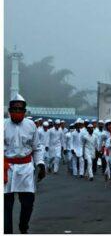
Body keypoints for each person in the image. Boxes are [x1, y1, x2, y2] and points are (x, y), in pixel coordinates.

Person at [4, 94, 46, 234]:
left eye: (20, 109)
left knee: (28, 203)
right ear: (9, 110)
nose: (17, 112)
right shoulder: (3, 125)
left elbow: (37, 147)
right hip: (6, 168)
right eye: (14, 109)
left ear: (24, 111)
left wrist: (40, 164)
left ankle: (23, 226)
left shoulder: (31, 125)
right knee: (5, 205)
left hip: (25, 169)